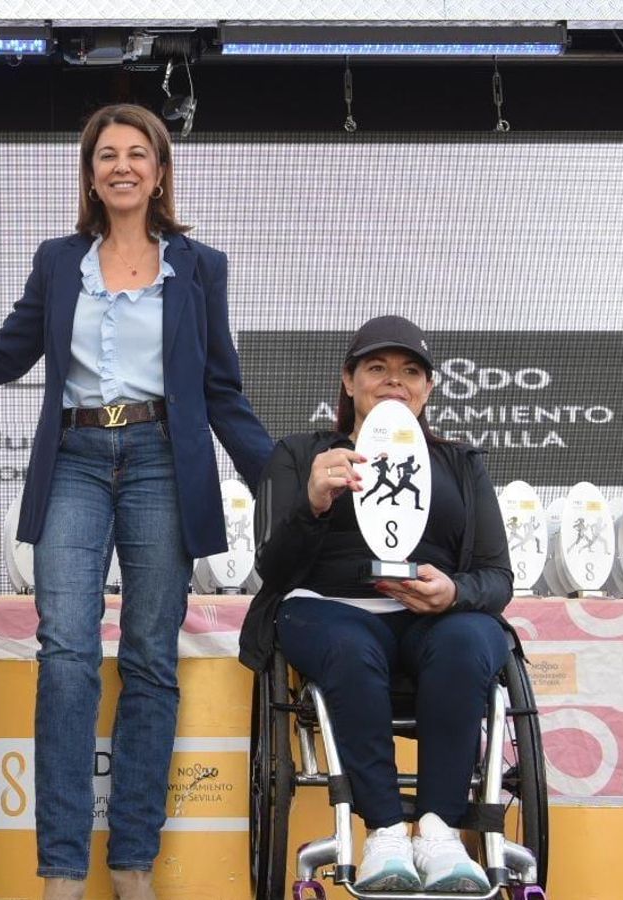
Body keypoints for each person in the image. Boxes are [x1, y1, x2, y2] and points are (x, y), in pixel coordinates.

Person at [0, 104, 273, 900]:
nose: (121, 166)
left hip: (163, 458)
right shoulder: (60, 262)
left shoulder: (201, 266)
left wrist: (284, 475)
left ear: (160, 172)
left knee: (152, 659)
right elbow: (4, 355)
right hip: (77, 460)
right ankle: (60, 869)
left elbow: (221, 391)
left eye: (137, 154)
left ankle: (131, 865)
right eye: (106, 155)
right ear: (90, 174)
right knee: (63, 656)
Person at [239, 315, 513, 894]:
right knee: (349, 644)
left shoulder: (462, 464)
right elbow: (273, 568)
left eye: (411, 371)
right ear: (348, 380)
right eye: (377, 368)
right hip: (328, 609)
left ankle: (439, 830)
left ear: (429, 388)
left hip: (433, 619)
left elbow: (496, 577)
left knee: (469, 640)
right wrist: (312, 502)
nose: (395, 381)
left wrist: (455, 593)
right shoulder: (300, 453)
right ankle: (385, 829)